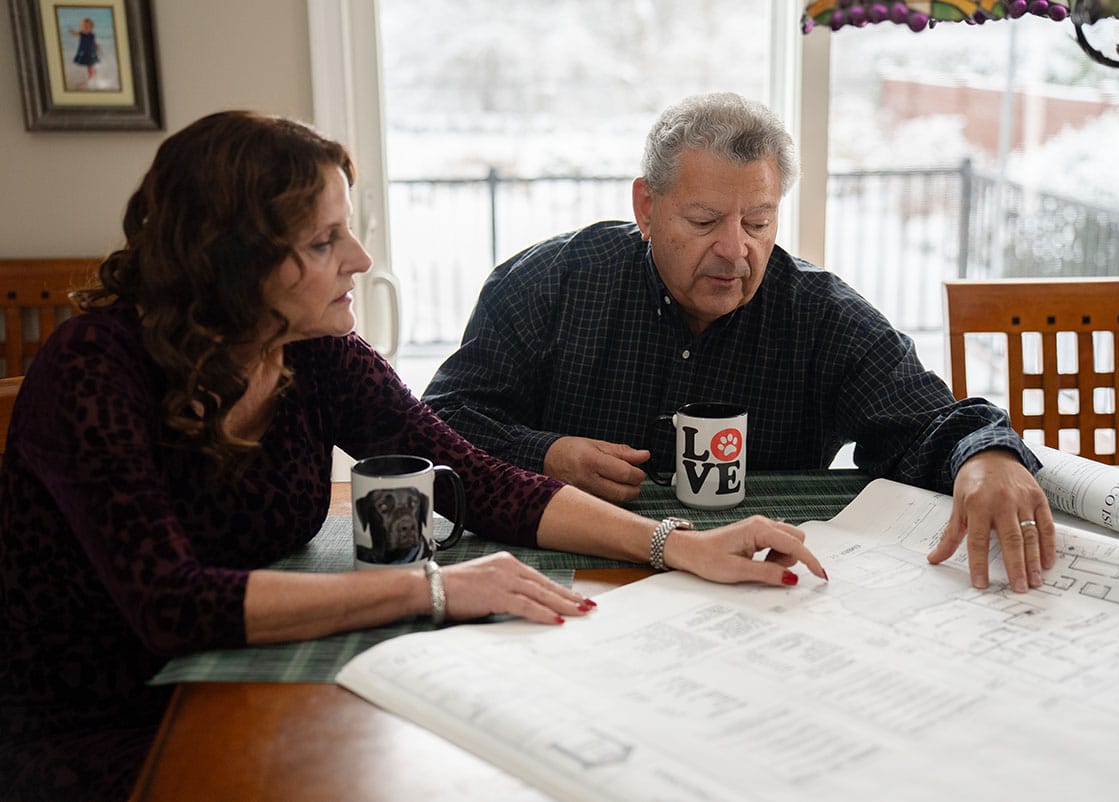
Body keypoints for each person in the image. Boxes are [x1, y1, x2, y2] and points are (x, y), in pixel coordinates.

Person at [0, 111, 825, 802]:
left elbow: (483, 480)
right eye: (325, 242)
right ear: (233, 260)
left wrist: (674, 544)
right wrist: (437, 588)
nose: (358, 261)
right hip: (96, 719)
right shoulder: (91, 369)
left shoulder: (314, 350)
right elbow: (168, 604)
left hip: (237, 672)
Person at [423, 92, 1056, 597]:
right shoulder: (551, 283)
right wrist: (546, 452)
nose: (736, 250)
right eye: (703, 222)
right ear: (646, 206)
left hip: (758, 589)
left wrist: (986, 458)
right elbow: (438, 423)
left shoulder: (818, 314)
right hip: (571, 579)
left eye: (758, 221)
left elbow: (927, 423)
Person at [68, 17, 99, 83]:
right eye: (84, 26)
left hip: (91, 52)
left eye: (87, 27)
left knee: (90, 65)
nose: (85, 28)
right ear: (81, 27)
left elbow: (94, 42)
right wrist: (72, 32)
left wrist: (97, 45)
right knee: (89, 65)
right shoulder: (81, 33)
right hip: (84, 52)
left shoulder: (92, 34)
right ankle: (92, 75)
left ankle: (91, 77)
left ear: (91, 27)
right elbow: (75, 34)